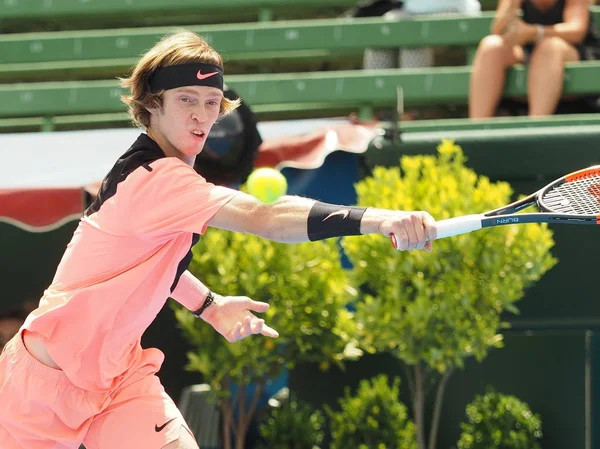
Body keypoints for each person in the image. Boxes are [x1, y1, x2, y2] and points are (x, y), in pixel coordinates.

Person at [0, 30, 437, 449]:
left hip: (118, 377)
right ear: (151, 106)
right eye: (186, 99)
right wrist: (379, 220)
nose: (201, 115)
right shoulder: (157, 180)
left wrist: (210, 305)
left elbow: (154, 266)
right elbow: (265, 217)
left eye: (212, 103)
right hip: (44, 385)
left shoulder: (153, 171)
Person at [469, 0, 600, 118]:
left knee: (549, 48)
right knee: (491, 46)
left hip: (573, 54)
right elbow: (498, 31)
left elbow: (577, 31)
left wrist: (535, 32)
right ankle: (477, 132)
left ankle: (535, 129)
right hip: (529, 56)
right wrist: (511, 4)